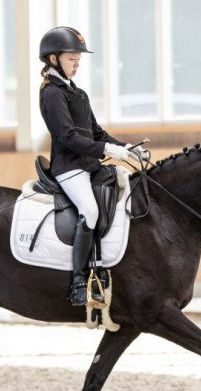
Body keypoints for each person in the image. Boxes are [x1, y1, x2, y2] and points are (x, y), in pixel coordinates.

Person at [38, 26, 148, 307]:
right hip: (70, 168)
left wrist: (127, 149)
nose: (77, 64)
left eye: (78, 60)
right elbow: (69, 137)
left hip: (89, 164)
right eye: (72, 59)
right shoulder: (52, 93)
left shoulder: (78, 93)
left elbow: (96, 133)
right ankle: (78, 281)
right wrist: (109, 151)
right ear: (53, 59)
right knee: (89, 210)